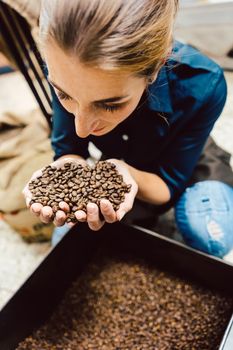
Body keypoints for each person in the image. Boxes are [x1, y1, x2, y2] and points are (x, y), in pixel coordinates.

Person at [23, 0, 233, 258]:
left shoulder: (204, 84)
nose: (82, 128)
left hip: (187, 158)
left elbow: (169, 183)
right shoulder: (66, 66)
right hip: (123, 158)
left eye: (109, 104)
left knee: (212, 237)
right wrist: (70, 167)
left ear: (157, 66)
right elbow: (70, 149)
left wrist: (128, 175)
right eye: (65, 95)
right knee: (65, 246)